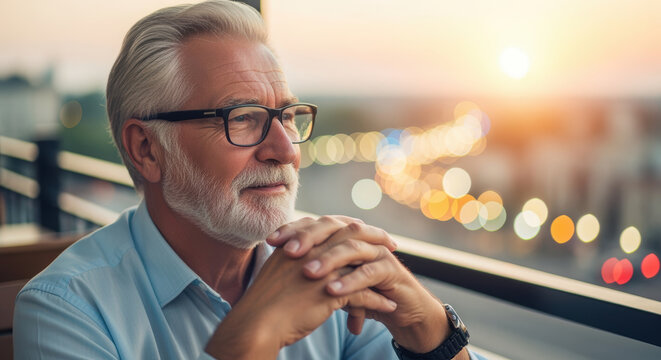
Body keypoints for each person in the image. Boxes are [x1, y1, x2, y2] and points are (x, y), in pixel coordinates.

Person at [14, 1, 484, 359]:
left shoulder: (325, 267)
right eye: (241, 118)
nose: (285, 150)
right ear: (147, 150)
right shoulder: (66, 310)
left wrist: (430, 331)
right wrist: (254, 335)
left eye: (288, 117)